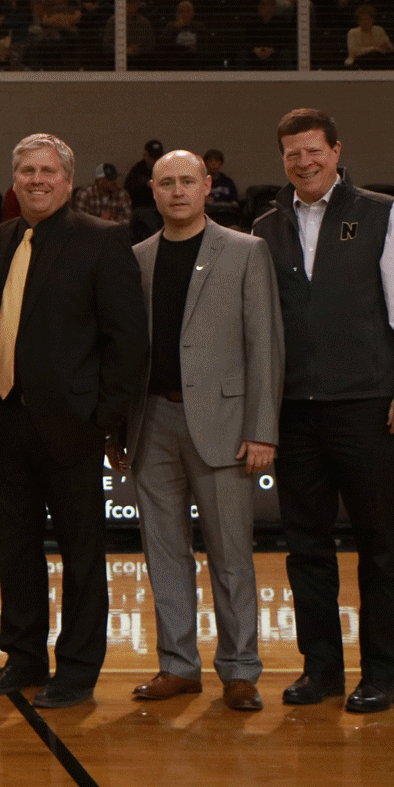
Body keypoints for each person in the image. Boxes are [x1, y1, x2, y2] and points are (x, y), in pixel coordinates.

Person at [251, 109, 394, 715]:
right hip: (295, 414)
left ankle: (381, 672)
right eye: (291, 154)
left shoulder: (382, 212)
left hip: (368, 408)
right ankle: (321, 668)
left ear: (335, 150)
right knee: (306, 550)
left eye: (312, 151)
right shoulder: (265, 227)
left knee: (379, 548)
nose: (303, 162)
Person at [0, 133, 147, 709]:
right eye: (26, 171)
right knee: (14, 548)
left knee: (82, 553)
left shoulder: (104, 241)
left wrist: (103, 423)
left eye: (47, 171)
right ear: (14, 180)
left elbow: (127, 342)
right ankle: (25, 657)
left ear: (68, 181)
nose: (37, 180)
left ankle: (79, 669)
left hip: (73, 428)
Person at [115, 150, 282, 713]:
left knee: (232, 554)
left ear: (208, 186)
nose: (178, 191)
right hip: (152, 422)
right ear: (154, 192)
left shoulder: (244, 251)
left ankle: (240, 671)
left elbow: (266, 347)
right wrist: (119, 428)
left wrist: (263, 430)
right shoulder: (135, 258)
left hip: (225, 425)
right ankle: (178, 666)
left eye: (188, 181)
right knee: (164, 554)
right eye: (167, 183)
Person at [241, 0, 293, 68]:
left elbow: (286, 41)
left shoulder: (281, 22)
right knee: (243, 54)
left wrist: (272, 50)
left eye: (271, 5)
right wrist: (255, 49)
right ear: (259, 8)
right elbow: (246, 40)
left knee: (285, 54)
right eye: (264, 5)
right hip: (256, 54)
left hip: (275, 54)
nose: (267, 8)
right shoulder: (252, 22)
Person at [345, 4, 394, 69]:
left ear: (372, 20)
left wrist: (389, 47)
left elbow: (386, 44)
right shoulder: (353, 32)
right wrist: (373, 49)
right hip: (359, 60)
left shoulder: (379, 29)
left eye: (367, 19)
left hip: (379, 59)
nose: (365, 22)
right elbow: (353, 51)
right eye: (362, 20)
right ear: (358, 21)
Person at [161, 0, 209, 69]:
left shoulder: (199, 27)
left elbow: (205, 47)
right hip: (175, 64)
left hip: (195, 64)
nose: (184, 14)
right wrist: (175, 29)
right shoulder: (170, 27)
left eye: (187, 11)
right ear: (177, 13)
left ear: (192, 13)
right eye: (181, 11)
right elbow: (164, 47)